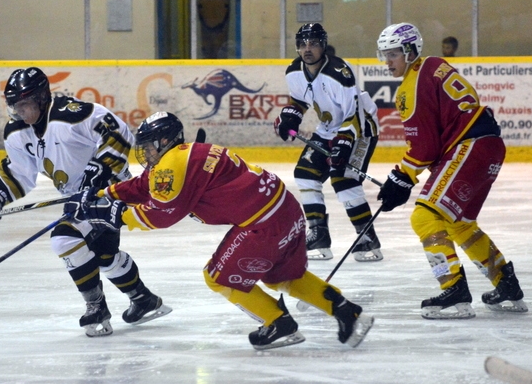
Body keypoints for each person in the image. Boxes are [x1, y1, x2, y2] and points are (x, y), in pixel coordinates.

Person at [63, 111, 374, 350]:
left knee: (217, 277)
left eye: (148, 146)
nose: (144, 153)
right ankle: (348, 312)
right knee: (282, 276)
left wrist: (110, 215)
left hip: (263, 223)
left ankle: (279, 323)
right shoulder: (184, 154)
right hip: (285, 210)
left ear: (164, 141)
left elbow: (162, 215)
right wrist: (103, 193)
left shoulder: (172, 164)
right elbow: (145, 185)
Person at [0, 67, 170, 337]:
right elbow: (19, 173)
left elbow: (117, 132)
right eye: (15, 105)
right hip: (77, 197)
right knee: (104, 256)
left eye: (24, 104)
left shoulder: (71, 114)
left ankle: (96, 307)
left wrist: (100, 169)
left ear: (41, 98)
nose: (19, 111)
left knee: (64, 238)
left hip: (109, 191)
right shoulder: (16, 132)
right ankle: (143, 299)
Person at [375, 23, 527, 319]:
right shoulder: (434, 65)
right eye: (384, 55)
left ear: (410, 51)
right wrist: (404, 177)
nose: (387, 62)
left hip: (469, 146)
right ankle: (506, 284)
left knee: (424, 216)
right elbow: (436, 138)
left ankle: (454, 288)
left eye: (393, 54)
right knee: (460, 223)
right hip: (489, 146)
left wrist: (401, 177)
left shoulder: (410, 86)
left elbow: (425, 147)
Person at [273, 23, 382, 262]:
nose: (307, 49)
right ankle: (319, 235)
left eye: (313, 43)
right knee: (305, 174)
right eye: (302, 44)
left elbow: (354, 113)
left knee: (344, 181)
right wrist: (290, 116)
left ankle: (367, 239)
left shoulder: (339, 73)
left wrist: (344, 143)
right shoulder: (293, 71)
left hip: (360, 128)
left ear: (323, 45)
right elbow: (299, 101)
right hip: (329, 128)